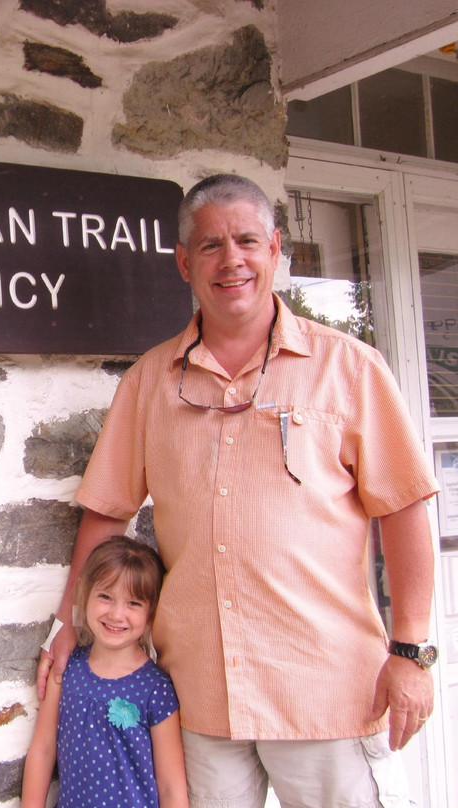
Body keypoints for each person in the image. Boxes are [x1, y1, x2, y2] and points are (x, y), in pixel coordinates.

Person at [37, 174, 440, 807]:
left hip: (323, 689)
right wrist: (68, 627)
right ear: (183, 262)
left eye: (248, 240)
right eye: (211, 246)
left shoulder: (350, 369)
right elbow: (105, 512)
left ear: (276, 249)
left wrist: (412, 652)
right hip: (199, 695)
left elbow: (406, 508)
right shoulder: (149, 382)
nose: (232, 260)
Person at [23, 536, 189, 808]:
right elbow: (42, 751)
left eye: (133, 603)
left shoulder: (155, 688)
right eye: (105, 597)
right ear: (84, 595)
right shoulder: (65, 671)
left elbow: (171, 787)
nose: (116, 614)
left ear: (151, 613)